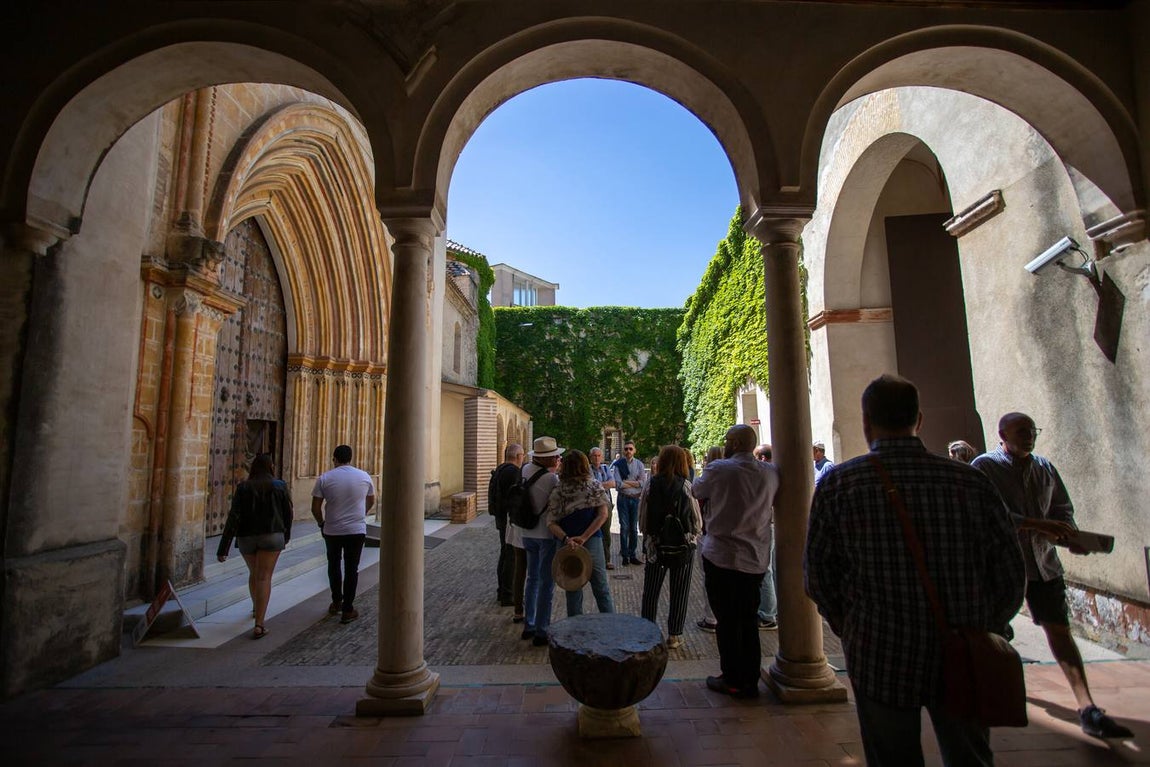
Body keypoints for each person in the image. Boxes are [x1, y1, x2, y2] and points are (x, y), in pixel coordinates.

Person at [805, 375, 1026, 766]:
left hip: (880, 650)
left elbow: (818, 575)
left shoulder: (841, 483)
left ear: (866, 421)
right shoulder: (971, 482)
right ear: (918, 421)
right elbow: (1009, 572)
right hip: (962, 648)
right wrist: (983, 625)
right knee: (970, 756)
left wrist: (852, 625)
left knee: (891, 757)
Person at [973, 413, 1134, 740]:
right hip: (1003, 567)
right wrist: (1037, 524)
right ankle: (993, 697)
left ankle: (1087, 706)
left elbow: (1062, 512)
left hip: (1044, 565)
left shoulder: (1044, 468)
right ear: (1002, 434)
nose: (1029, 436)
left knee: (1059, 631)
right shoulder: (984, 467)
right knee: (995, 635)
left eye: (1032, 431)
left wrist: (1070, 538)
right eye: (1022, 431)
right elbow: (987, 514)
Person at [692, 424, 778, 698]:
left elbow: (697, 490)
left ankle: (731, 678)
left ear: (736, 443)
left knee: (727, 622)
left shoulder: (720, 469)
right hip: (754, 558)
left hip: (723, 556)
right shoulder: (771, 473)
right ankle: (749, 679)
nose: (725, 444)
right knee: (748, 621)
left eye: (728, 440)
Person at [217, 453, 293, 639]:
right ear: (271, 467)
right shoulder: (279, 485)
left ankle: (255, 606)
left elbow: (234, 517)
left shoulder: (243, 487)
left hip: (247, 537)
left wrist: (223, 548)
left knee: (255, 574)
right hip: (272, 535)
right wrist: (286, 536)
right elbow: (288, 514)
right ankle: (259, 623)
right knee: (264, 577)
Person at [638, 444, 702, 649]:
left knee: (651, 590)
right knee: (680, 590)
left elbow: (643, 515)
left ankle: (648, 631)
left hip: (656, 544)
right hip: (682, 545)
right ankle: (674, 635)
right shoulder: (686, 485)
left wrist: (647, 536)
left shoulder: (651, 484)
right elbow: (696, 519)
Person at [545, 449, 615, 617]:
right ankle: (612, 626)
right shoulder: (594, 486)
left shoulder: (558, 490)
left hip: (566, 544)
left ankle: (575, 632)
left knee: (573, 588)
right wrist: (584, 537)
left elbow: (551, 522)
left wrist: (567, 539)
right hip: (592, 542)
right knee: (601, 588)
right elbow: (603, 515)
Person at [311, 444, 375, 624]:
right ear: (351, 458)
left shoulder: (325, 478)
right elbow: (371, 500)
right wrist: (361, 514)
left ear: (334, 459)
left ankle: (336, 601)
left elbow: (315, 507)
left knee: (334, 565)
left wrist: (321, 523)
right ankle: (348, 608)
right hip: (356, 530)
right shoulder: (364, 476)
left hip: (332, 530)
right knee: (351, 568)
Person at [520, 436, 564, 646]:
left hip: (527, 533)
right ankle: (541, 629)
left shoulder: (524, 471)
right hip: (546, 535)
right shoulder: (551, 479)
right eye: (554, 456)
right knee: (546, 583)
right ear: (545, 459)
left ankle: (528, 624)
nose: (557, 458)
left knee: (532, 579)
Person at [488, 443, 525, 606]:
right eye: (522, 455)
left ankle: (502, 591)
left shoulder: (500, 469)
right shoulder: (513, 472)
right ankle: (508, 594)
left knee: (505, 553)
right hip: (510, 519)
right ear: (518, 456)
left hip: (502, 518)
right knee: (510, 556)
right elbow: (517, 497)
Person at [695, 445, 724, 633]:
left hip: (709, 532)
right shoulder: (735, 475)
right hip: (729, 533)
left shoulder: (710, 475)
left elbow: (696, 493)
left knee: (709, 577)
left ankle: (711, 618)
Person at [751, 444, 779, 631]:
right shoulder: (777, 472)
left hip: (765, 525)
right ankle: (773, 609)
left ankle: (768, 614)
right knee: (773, 568)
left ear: (761, 458)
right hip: (776, 524)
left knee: (765, 569)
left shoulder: (764, 473)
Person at [612, 441, 646, 566]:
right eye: (626, 449)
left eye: (630, 449)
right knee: (624, 527)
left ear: (634, 450)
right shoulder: (618, 465)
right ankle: (625, 555)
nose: (628, 451)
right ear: (623, 450)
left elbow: (643, 483)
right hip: (623, 499)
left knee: (633, 528)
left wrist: (627, 482)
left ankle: (632, 555)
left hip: (636, 499)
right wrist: (635, 482)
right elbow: (618, 484)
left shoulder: (640, 465)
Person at [588, 447, 617, 569]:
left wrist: (597, 485)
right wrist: (603, 485)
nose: (597, 458)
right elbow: (588, 485)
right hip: (592, 504)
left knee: (606, 532)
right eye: (594, 456)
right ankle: (591, 560)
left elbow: (613, 483)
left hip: (606, 503)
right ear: (590, 457)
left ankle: (606, 559)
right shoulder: (587, 470)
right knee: (591, 531)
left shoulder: (605, 468)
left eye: (599, 455)